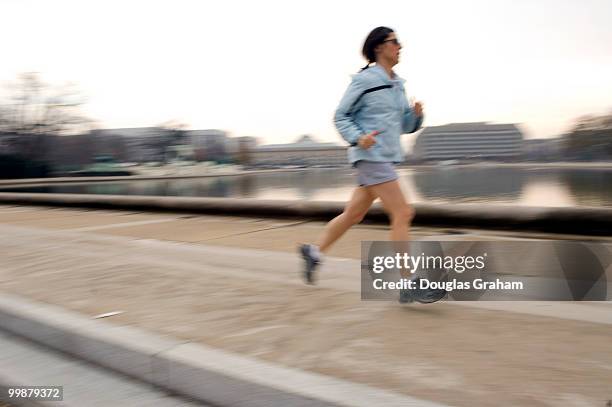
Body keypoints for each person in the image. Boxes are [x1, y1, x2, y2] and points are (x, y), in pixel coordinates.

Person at [299, 26, 446, 304]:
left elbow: (404, 126)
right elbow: (340, 116)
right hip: (371, 156)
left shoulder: (397, 85)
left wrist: (416, 117)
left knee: (353, 214)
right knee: (403, 213)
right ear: (379, 47)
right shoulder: (365, 80)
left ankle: (314, 252)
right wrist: (358, 138)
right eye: (395, 42)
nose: (400, 46)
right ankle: (409, 282)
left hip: (386, 157)